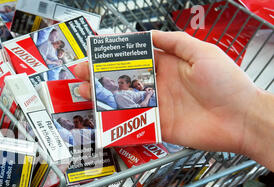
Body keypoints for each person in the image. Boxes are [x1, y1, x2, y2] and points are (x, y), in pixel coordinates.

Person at [73, 30, 274, 171]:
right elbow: (139, 110)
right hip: (151, 114)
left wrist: (248, 112)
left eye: (110, 78)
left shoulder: (129, 90)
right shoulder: (120, 95)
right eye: (107, 80)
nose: (109, 81)